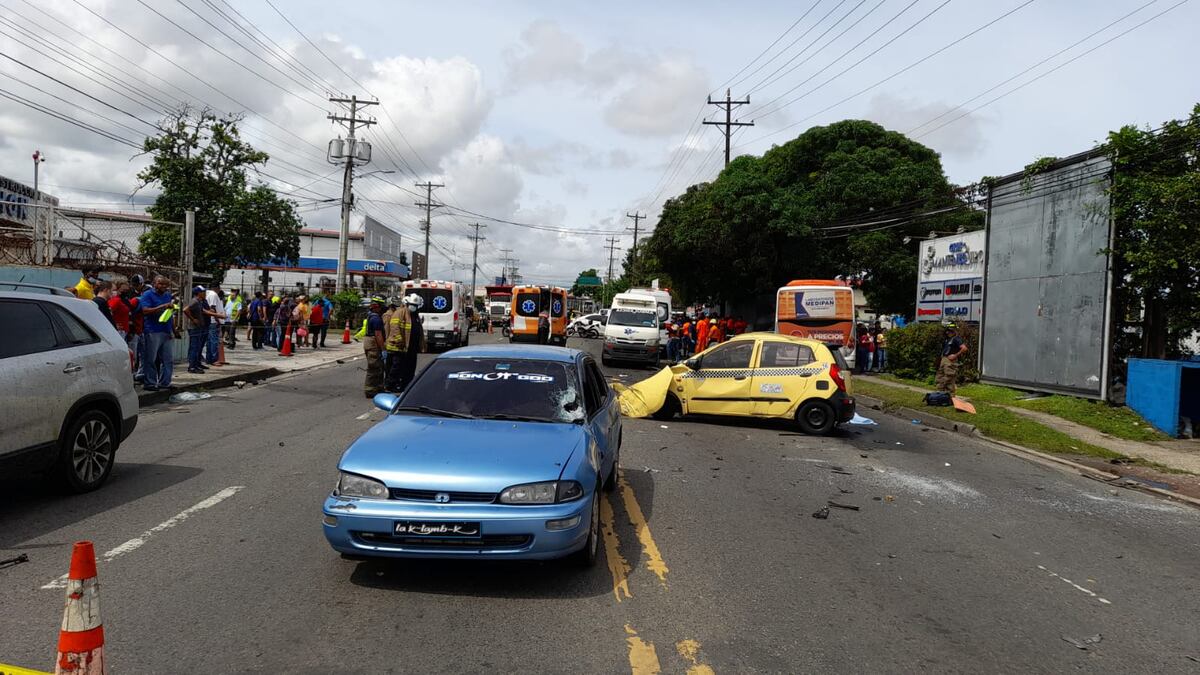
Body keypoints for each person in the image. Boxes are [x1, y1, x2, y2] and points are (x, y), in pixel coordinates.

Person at [139, 275, 176, 391]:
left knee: (168, 359)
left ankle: (165, 382)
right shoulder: (147, 295)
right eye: (161, 284)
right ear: (155, 284)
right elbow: (145, 310)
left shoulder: (167, 295)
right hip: (152, 330)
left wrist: (173, 329)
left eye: (166, 285)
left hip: (166, 330)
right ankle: (150, 382)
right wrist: (161, 307)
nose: (164, 287)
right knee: (151, 358)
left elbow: (169, 313)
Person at [384, 296, 416, 392]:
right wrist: (397, 340)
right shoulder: (392, 314)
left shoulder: (407, 314)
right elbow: (389, 330)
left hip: (399, 346)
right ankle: (389, 385)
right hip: (394, 345)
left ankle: (395, 383)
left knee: (396, 367)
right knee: (393, 367)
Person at [184, 286, 219, 373]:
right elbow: (185, 310)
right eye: (203, 292)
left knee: (198, 347)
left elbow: (204, 311)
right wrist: (193, 319)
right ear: (198, 293)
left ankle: (196, 364)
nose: (205, 293)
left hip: (201, 327)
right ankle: (192, 367)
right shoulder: (195, 301)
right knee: (194, 348)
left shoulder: (201, 301)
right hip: (194, 328)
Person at [395, 293, 424, 392]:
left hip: (413, 347)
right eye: (412, 305)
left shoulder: (416, 316)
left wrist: (422, 345)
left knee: (411, 367)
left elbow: (420, 331)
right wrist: (400, 341)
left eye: (416, 306)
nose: (414, 307)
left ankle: (408, 384)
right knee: (403, 367)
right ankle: (402, 385)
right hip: (404, 347)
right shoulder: (402, 313)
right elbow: (396, 328)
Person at [363, 296, 387, 398]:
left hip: (370, 344)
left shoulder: (370, 316)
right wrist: (383, 349)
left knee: (379, 367)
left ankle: (378, 388)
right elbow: (378, 335)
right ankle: (370, 390)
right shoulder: (376, 319)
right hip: (373, 345)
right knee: (373, 368)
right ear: (377, 307)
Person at [936, 323, 968, 394]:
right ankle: (941, 395)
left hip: (950, 361)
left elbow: (964, 348)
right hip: (944, 359)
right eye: (947, 331)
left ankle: (950, 396)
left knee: (949, 378)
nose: (947, 332)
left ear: (954, 331)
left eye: (950, 331)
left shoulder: (956, 339)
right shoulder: (948, 339)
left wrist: (955, 355)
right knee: (940, 377)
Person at [204, 284, 226, 366]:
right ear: (217, 288)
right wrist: (217, 319)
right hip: (213, 321)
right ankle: (214, 359)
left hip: (210, 320)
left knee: (210, 341)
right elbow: (212, 308)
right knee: (214, 341)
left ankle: (209, 359)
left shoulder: (207, 293)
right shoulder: (213, 294)